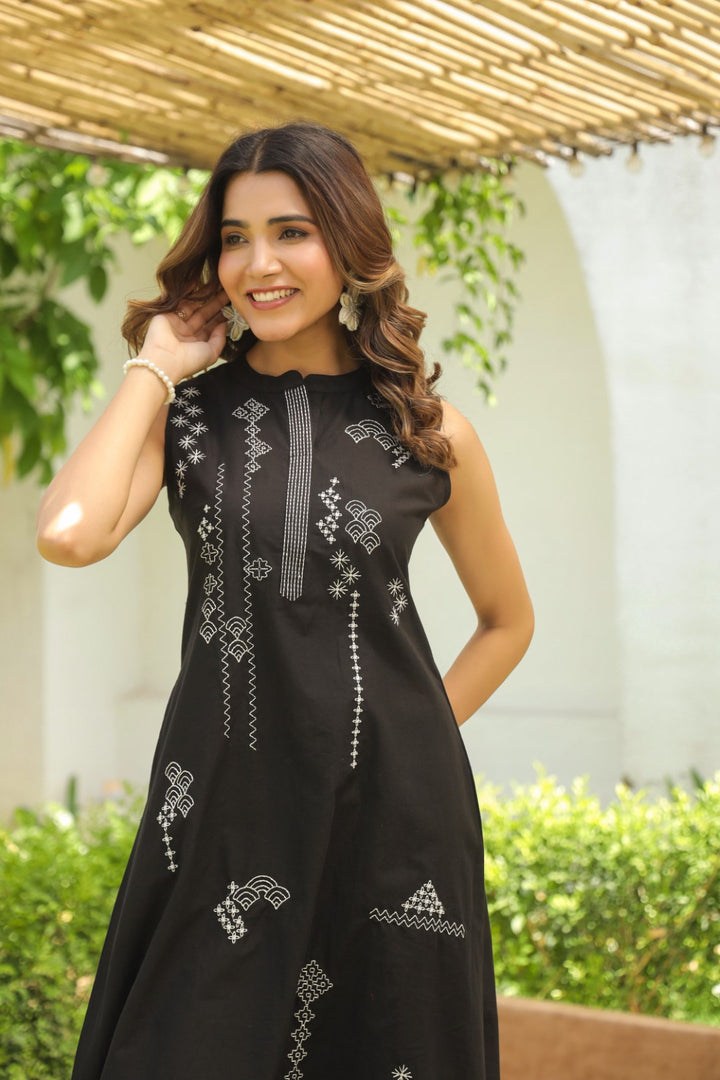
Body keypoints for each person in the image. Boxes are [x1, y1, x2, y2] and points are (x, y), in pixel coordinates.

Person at [36, 121, 534, 1080]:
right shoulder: (185, 416)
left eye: (291, 232)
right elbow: (69, 534)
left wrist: (407, 741)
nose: (258, 263)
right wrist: (155, 365)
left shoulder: (430, 432)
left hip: (392, 825)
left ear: (347, 243)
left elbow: (508, 622)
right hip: (221, 818)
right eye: (235, 238)